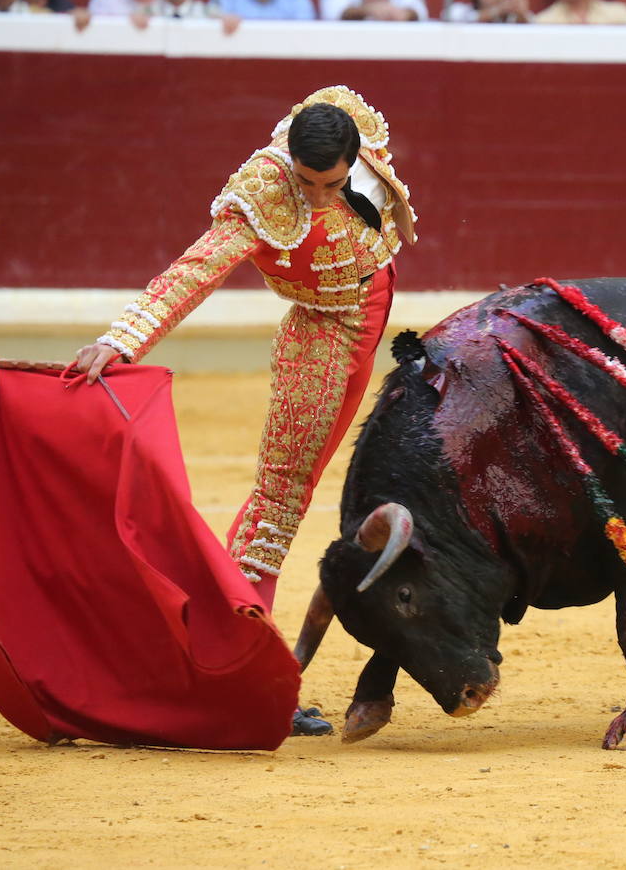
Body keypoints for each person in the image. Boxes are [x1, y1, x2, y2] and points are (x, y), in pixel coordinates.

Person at [74, 85, 416, 619]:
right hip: (321, 338)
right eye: (306, 182)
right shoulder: (262, 194)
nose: (320, 197)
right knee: (281, 498)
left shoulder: (349, 126)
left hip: (369, 322)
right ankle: (233, 633)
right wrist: (123, 338)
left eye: (334, 183)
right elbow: (198, 267)